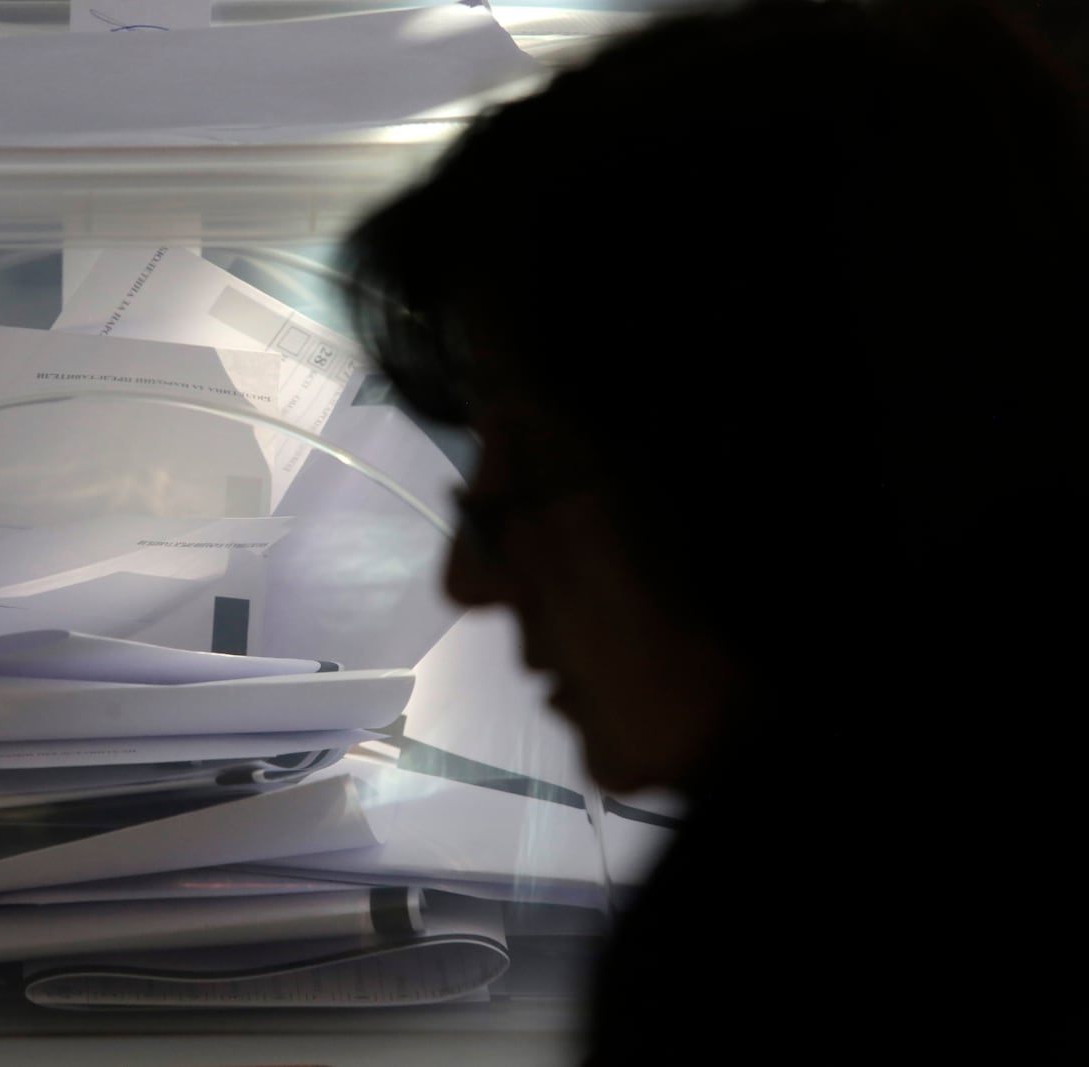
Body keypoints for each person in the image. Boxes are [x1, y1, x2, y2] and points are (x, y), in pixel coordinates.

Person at [342, 0, 1085, 1062]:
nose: (468, 576)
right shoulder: (855, 881)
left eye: (539, 461)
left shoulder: (788, 951)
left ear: (779, 462)